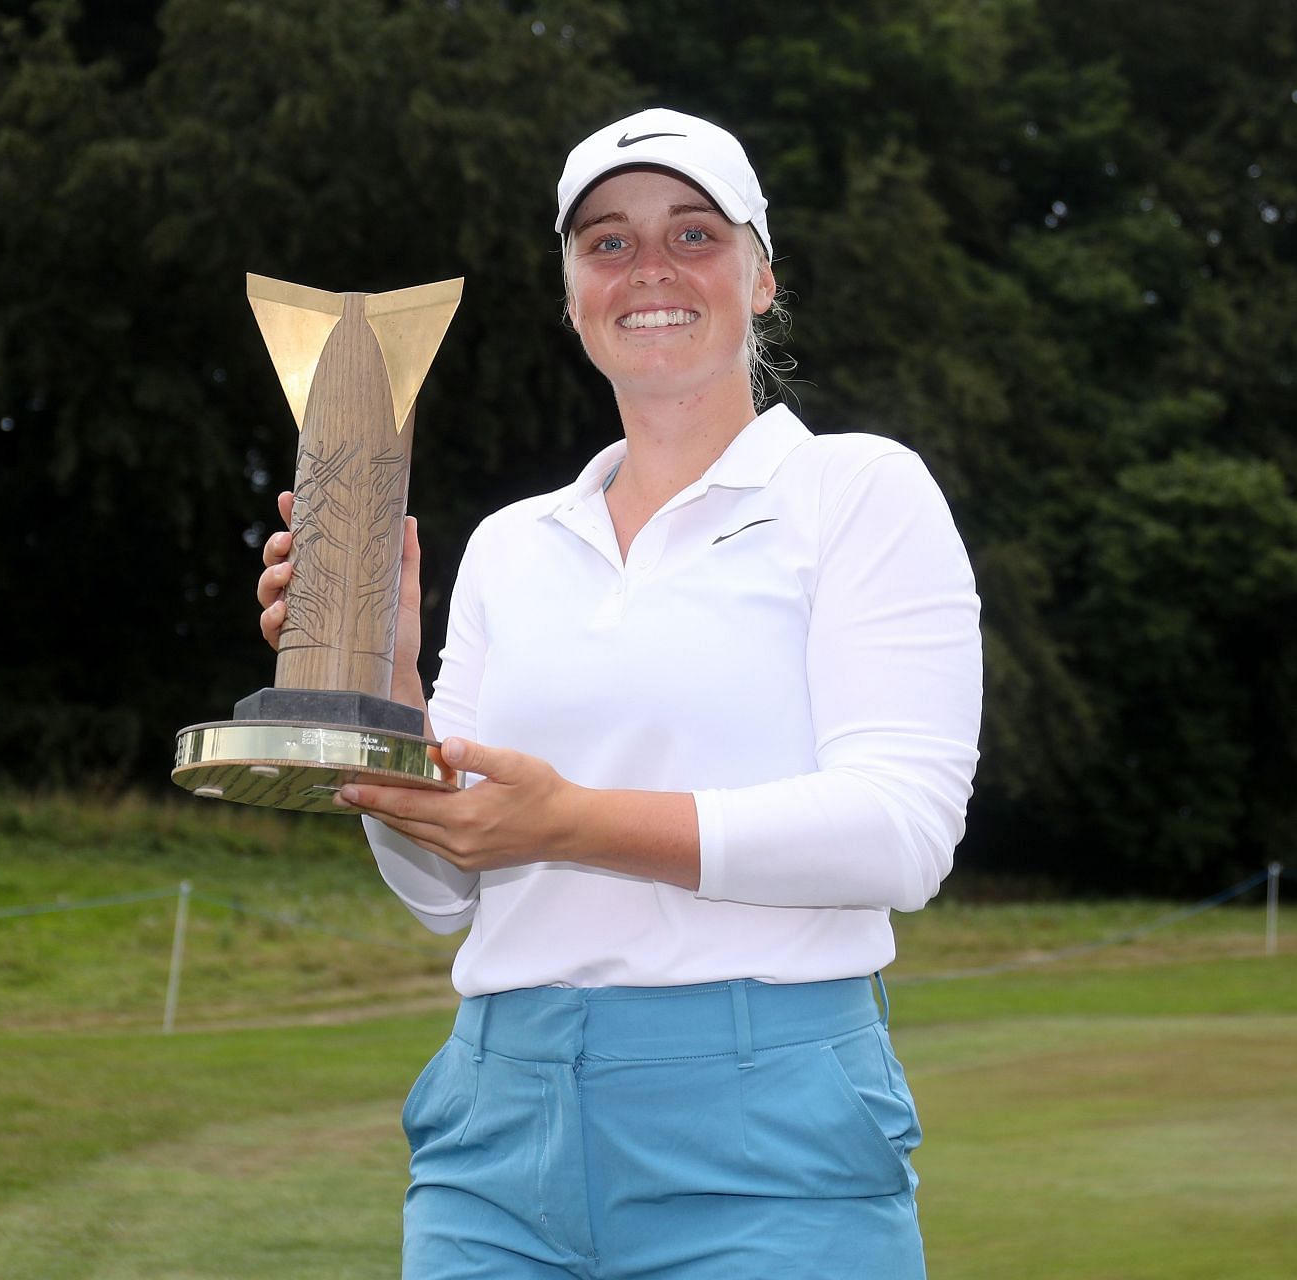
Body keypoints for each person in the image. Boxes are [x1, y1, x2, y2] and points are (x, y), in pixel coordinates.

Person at [256, 107, 981, 1280]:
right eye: (606, 242)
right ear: (572, 291)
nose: (649, 268)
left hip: (768, 1131)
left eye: (693, 234)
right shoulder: (509, 544)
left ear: (761, 276)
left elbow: (900, 835)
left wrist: (568, 821)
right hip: (493, 1129)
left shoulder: (858, 491)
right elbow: (445, 888)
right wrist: (386, 695)